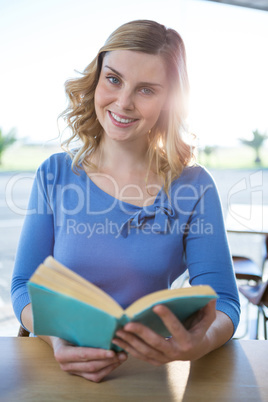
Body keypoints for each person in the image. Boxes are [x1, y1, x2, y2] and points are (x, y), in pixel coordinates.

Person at [11, 19, 240, 383]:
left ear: (169, 101)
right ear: (97, 78)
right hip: (58, 369)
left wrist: (199, 343)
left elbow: (225, 301)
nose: (123, 102)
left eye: (146, 90)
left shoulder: (195, 187)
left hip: (148, 374)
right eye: (114, 79)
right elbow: (23, 284)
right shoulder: (55, 173)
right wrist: (55, 338)